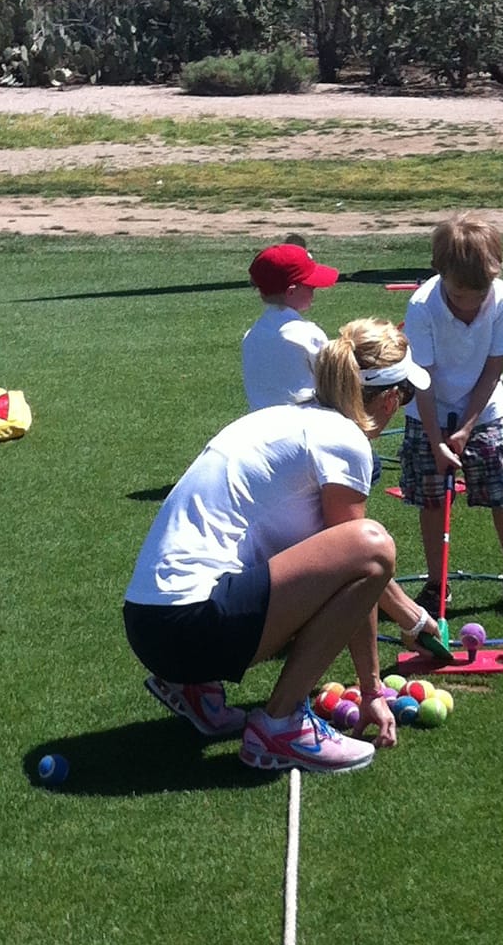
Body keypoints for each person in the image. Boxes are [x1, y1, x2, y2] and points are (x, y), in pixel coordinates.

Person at [122, 319, 431, 774]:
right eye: (405, 396)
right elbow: (362, 569)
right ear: (389, 399)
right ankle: (280, 725)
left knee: (354, 551)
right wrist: (371, 689)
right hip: (190, 627)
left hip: (149, 625)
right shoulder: (344, 440)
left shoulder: (278, 418)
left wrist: (410, 617)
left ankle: (195, 689)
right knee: (374, 545)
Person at [400, 213, 503, 620]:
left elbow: (493, 367)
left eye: (478, 293)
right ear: (442, 273)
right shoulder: (422, 306)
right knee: (432, 497)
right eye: (462, 293)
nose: (471, 302)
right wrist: (436, 442)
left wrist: (466, 427)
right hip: (426, 410)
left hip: (484, 409)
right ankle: (437, 582)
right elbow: (422, 377)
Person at [240, 241, 337, 409]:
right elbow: (335, 384)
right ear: (291, 291)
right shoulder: (308, 334)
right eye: (310, 286)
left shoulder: (251, 335)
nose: (314, 290)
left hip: (261, 425)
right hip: (306, 425)